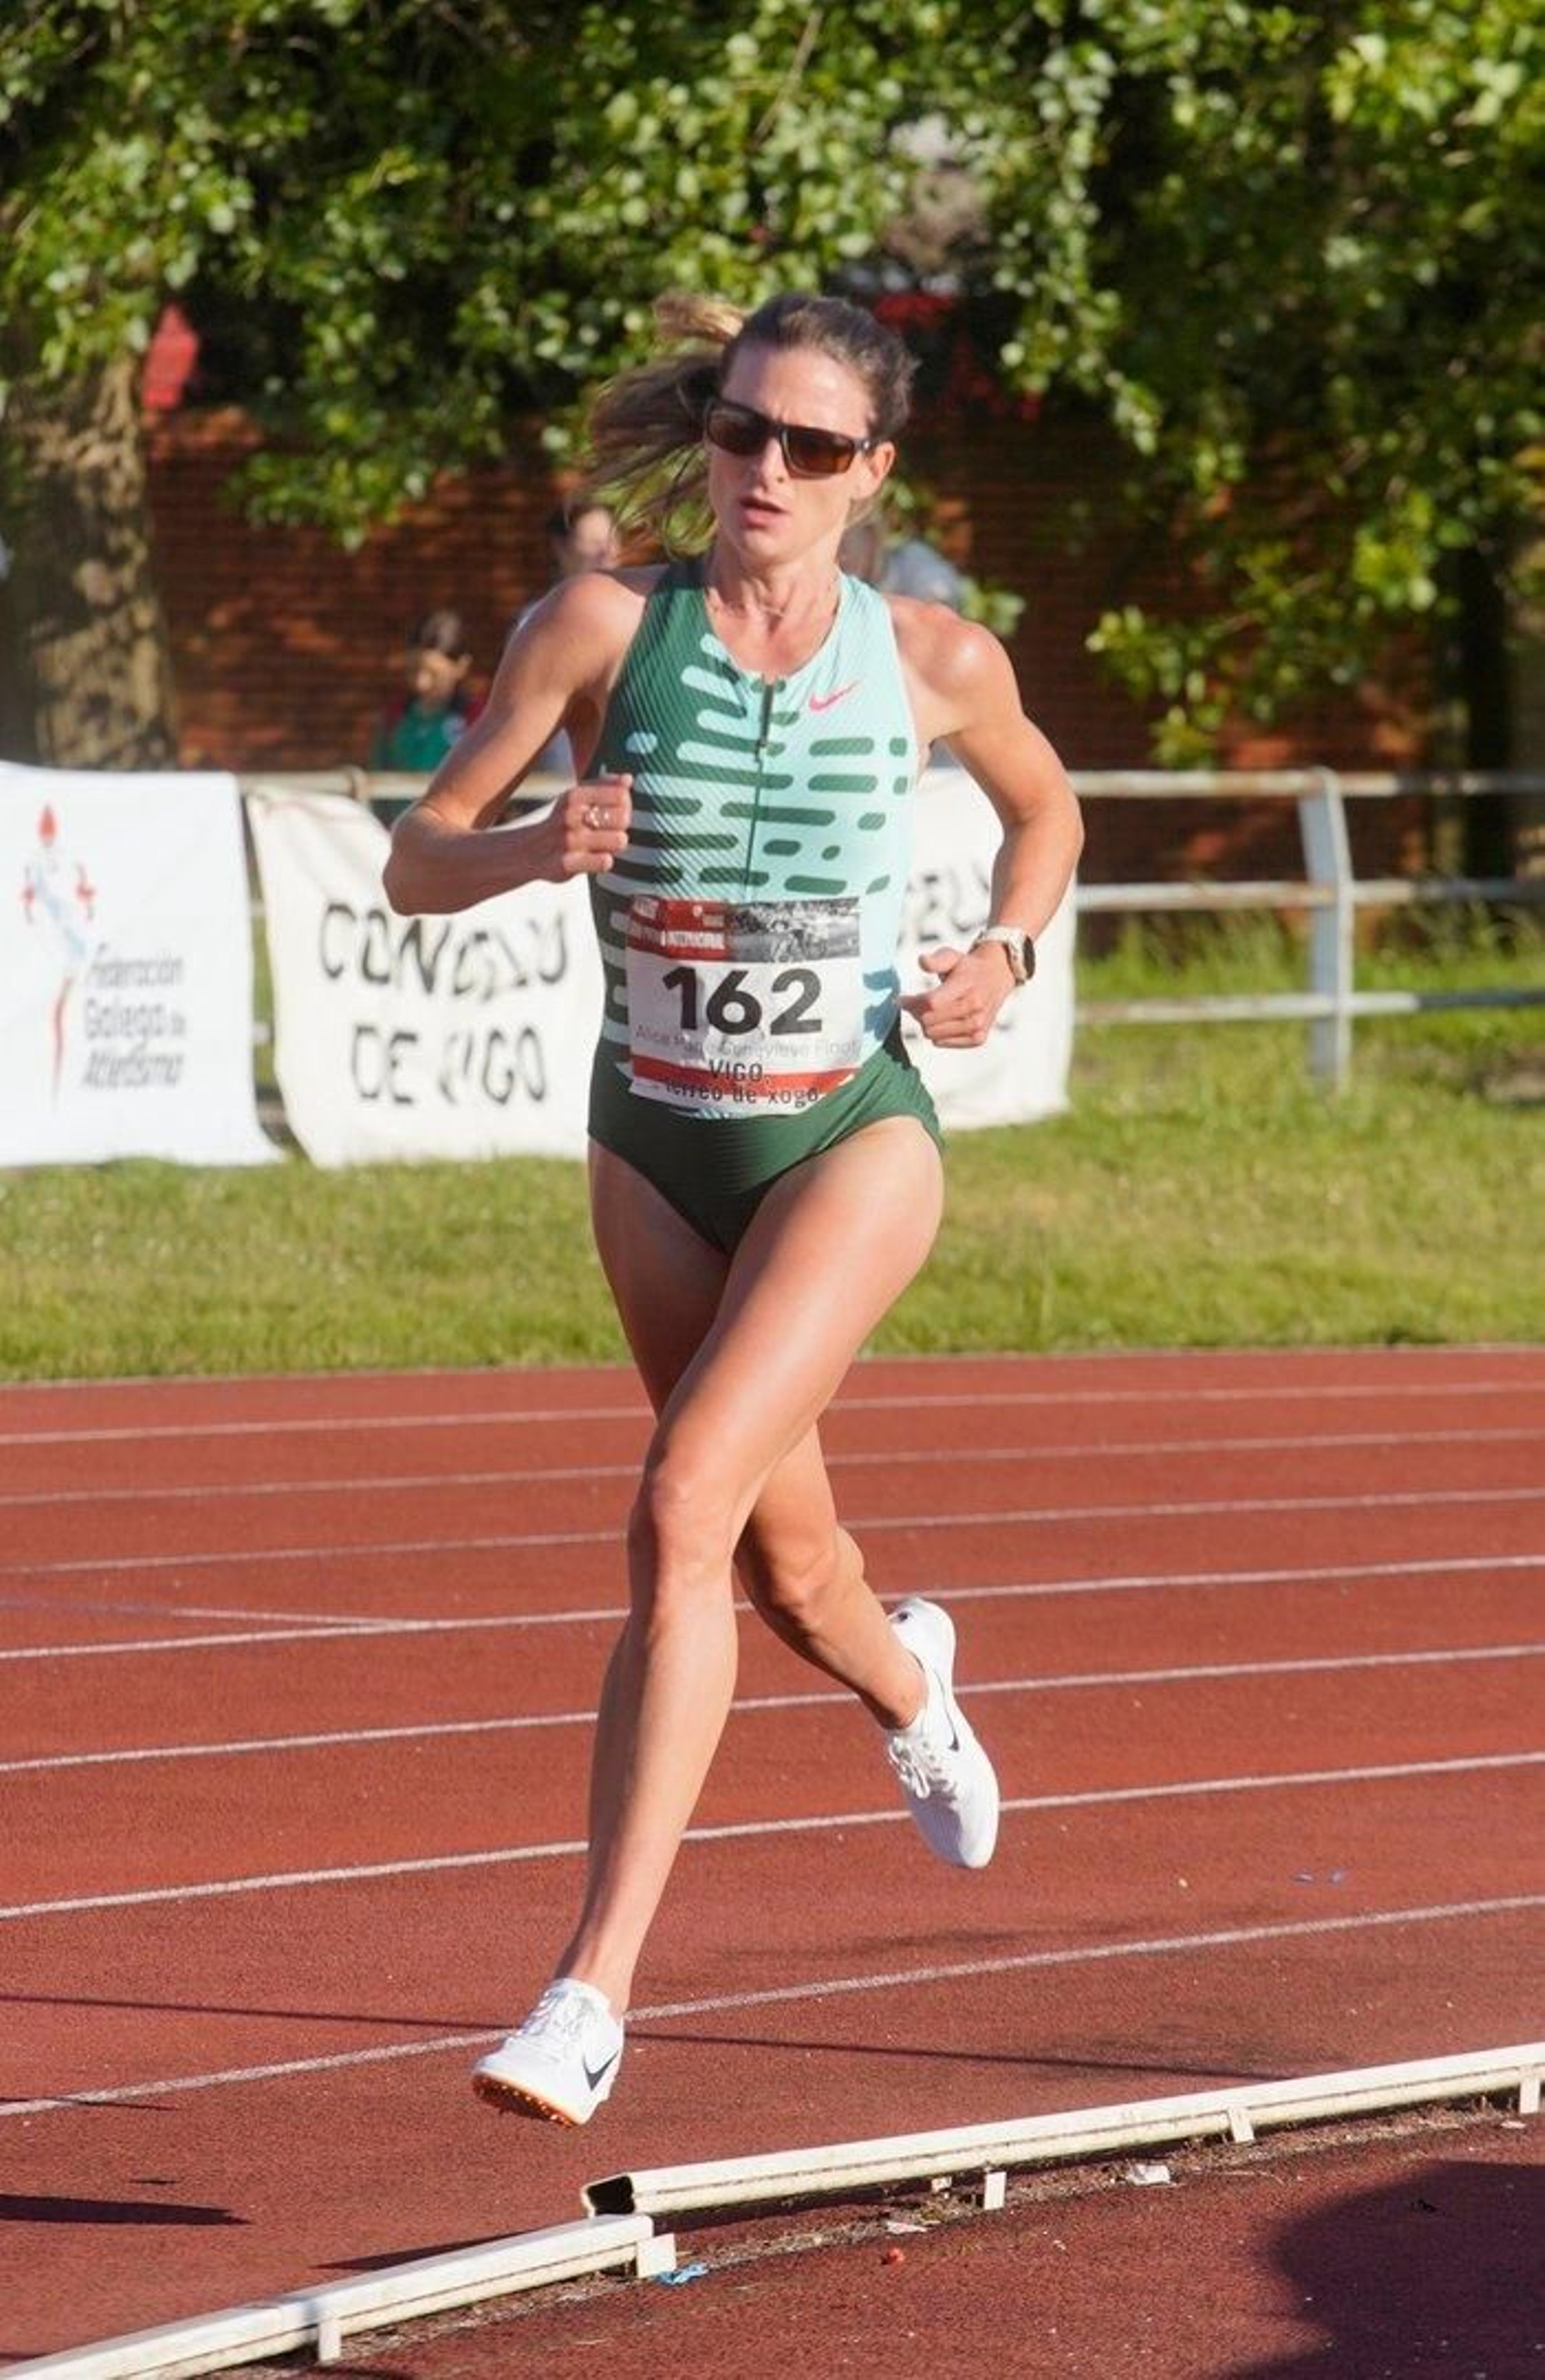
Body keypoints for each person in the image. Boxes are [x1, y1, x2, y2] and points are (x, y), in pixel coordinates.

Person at [382, 290, 1083, 2128]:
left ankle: (588, 1996)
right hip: (657, 1144)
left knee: (681, 1504)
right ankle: (910, 1680)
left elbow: (1050, 819)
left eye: (813, 447)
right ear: (709, 439)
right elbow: (414, 855)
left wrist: (1004, 952)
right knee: (783, 1567)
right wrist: (536, 845)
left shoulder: (934, 658)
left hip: (850, 1130)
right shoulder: (605, 629)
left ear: (875, 473)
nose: (767, 471)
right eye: (742, 432)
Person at [519, 503, 623, 776]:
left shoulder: (639, 616)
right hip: (552, 785)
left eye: (613, 540)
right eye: (594, 542)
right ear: (562, 548)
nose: (607, 551)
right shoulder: (536, 622)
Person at [369, 609, 481, 772]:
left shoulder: (479, 719)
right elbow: (377, 773)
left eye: (433, 673)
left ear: (461, 666)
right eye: (412, 670)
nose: (420, 683)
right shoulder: (395, 714)